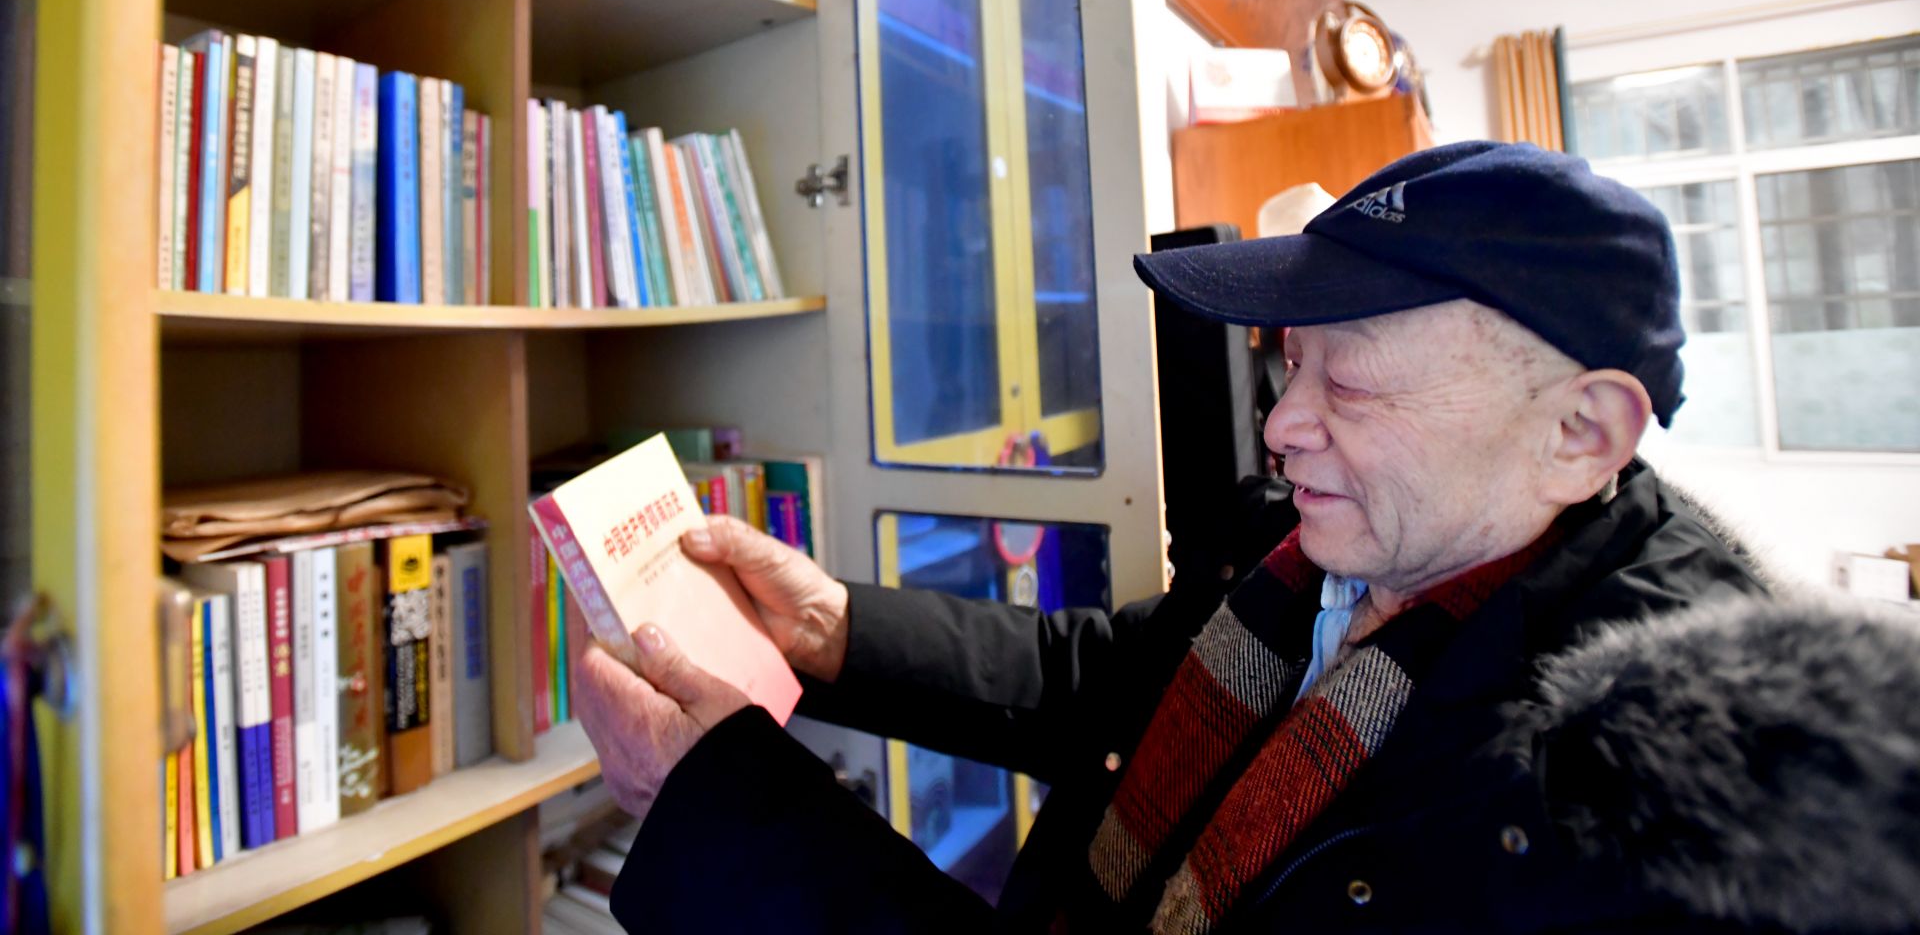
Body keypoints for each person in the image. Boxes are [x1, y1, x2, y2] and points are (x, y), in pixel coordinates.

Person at [572, 142, 1920, 933]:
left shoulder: (1627, 821)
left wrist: (722, 808)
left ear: (1580, 431)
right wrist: (835, 627)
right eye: (1288, 365)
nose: (1282, 427)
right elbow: (1113, 678)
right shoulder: (1327, 550)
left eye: (1354, 381)